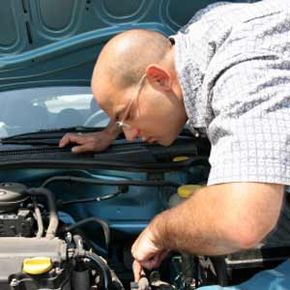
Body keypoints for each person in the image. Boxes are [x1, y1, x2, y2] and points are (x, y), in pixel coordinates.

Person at [59, 0, 290, 287]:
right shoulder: (197, 36)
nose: (130, 134)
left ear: (158, 78)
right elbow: (136, 75)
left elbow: (242, 219)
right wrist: (110, 131)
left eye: (127, 116)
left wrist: (159, 231)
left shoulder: (245, 69)